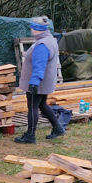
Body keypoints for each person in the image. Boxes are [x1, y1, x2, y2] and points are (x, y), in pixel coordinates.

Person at [15, 16, 65, 144]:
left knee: (32, 107)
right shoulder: (49, 40)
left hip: (38, 83)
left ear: (37, 29)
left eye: (32, 27)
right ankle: (58, 128)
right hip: (44, 82)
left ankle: (30, 135)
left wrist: (34, 83)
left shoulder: (42, 45)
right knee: (42, 105)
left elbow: (39, 66)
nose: (31, 29)